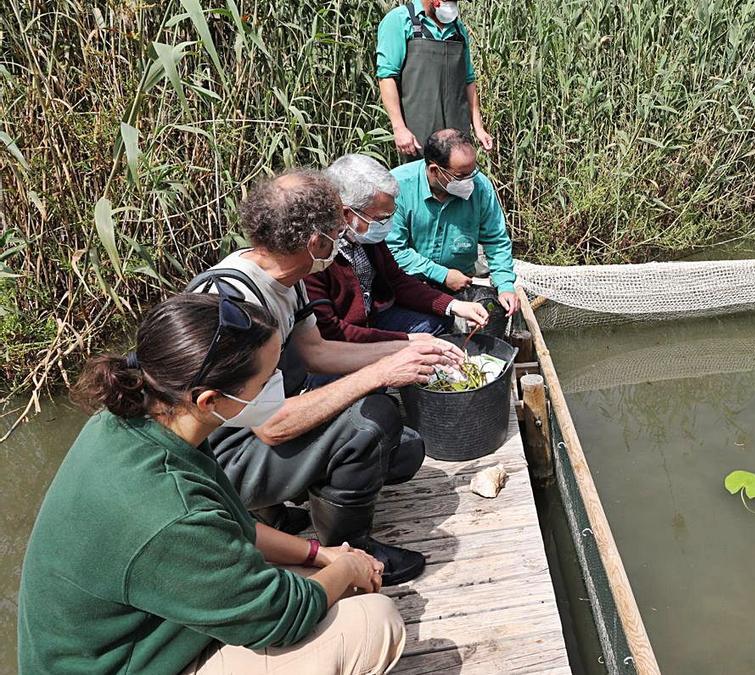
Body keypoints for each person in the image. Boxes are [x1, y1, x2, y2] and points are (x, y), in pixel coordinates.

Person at [18, 293, 406, 675]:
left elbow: (233, 525)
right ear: (209, 401)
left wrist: (320, 554)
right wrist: (350, 566)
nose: (279, 384)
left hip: (143, 630)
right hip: (121, 663)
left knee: (339, 586)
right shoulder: (170, 512)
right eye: (267, 379)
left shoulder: (132, 418)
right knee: (372, 622)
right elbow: (283, 615)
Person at [189, 169, 461, 586]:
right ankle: (350, 551)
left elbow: (317, 352)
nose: (343, 241)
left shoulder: (283, 277)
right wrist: (379, 373)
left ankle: (274, 509)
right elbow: (271, 427)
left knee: (403, 452)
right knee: (373, 420)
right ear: (316, 242)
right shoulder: (237, 305)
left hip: (264, 423)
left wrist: (408, 348)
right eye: (337, 231)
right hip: (224, 461)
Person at [306, 153, 490, 345]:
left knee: (439, 320)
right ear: (346, 213)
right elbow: (330, 331)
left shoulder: (366, 236)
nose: (387, 225)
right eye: (381, 218)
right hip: (340, 340)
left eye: (391, 215)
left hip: (372, 318)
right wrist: (405, 341)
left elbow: (397, 281)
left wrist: (454, 305)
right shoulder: (317, 257)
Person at [388, 128, 518, 319]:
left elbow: (496, 241)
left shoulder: (481, 187)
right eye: (461, 176)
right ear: (435, 171)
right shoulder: (397, 186)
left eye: (473, 172)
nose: (470, 181)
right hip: (409, 284)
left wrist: (505, 285)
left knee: (494, 313)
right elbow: (393, 250)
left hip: (462, 282)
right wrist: (443, 275)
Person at [376, 0, 493, 160]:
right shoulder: (400, 20)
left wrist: (478, 128)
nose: (451, 3)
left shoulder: (458, 29)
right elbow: (386, 76)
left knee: (459, 177)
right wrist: (399, 128)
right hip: (418, 130)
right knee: (421, 177)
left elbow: (468, 80)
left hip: (457, 130)